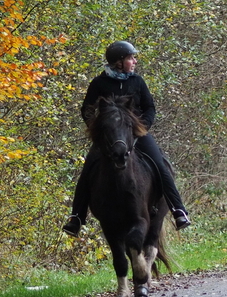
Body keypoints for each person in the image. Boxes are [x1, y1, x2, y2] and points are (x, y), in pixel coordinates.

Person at [62, 40, 191, 237]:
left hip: (137, 134)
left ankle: (178, 210)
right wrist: (99, 130)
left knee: (160, 164)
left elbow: (150, 108)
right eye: (131, 58)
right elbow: (87, 109)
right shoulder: (99, 83)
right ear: (119, 62)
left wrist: (142, 127)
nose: (135, 61)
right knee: (88, 169)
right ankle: (76, 218)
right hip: (109, 138)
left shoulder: (137, 81)